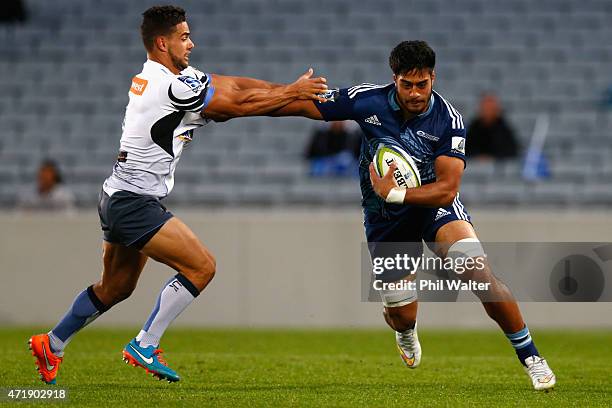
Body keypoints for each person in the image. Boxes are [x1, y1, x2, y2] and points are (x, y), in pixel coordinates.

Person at [28, 5, 328, 385]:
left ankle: (52, 343)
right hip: (133, 203)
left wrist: (286, 89)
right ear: (162, 42)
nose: (192, 43)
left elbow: (233, 86)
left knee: (116, 287)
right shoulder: (168, 86)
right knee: (201, 267)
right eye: (184, 37)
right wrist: (293, 93)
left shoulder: (172, 76)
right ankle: (145, 343)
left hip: (118, 196)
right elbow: (236, 106)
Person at [270, 41, 555, 390]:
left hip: (434, 207)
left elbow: (448, 189)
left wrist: (396, 192)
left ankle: (532, 357)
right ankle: (405, 329)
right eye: (408, 85)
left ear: (433, 77)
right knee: (402, 315)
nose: (416, 93)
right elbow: (303, 105)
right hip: (386, 219)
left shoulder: (448, 120)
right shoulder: (367, 100)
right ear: (395, 79)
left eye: (423, 84)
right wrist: (278, 94)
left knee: (478, 273)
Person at [466, 93, 519, 160]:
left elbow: (511, 151)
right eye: (486, 108)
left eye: (491, 108)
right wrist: (477, 157)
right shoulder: (473, 128)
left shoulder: (504, 129)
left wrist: (492, 158)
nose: (488, 111)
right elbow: (466, 149)